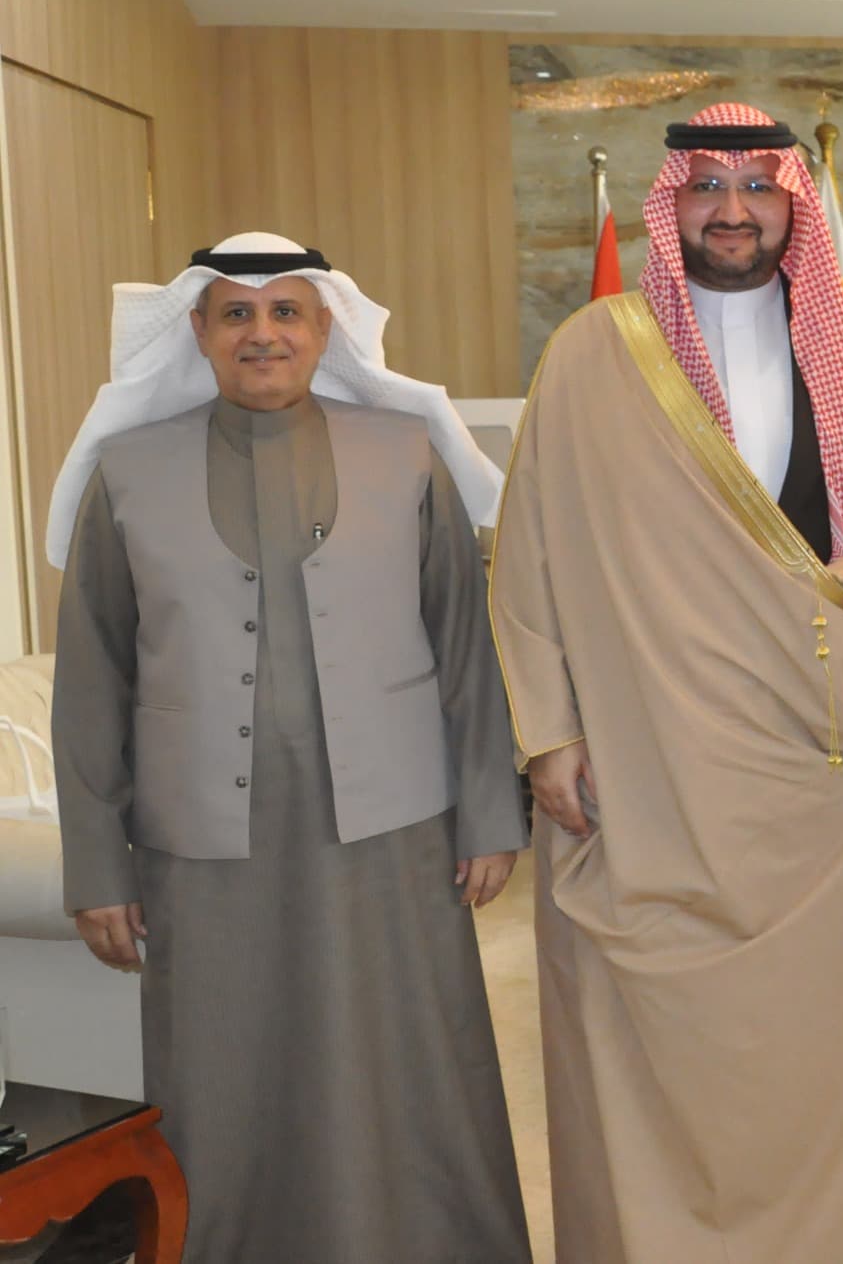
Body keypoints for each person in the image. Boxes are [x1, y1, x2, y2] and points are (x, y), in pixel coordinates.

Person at [491, 102, 843, 1264]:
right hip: (658, 761)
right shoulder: (593, 353)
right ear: (669, 201)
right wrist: (550, 732)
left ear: (794, 198)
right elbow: (530, 553)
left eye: (756, 184)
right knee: (683, 1040)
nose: (731, 209)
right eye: (706, 185)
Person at [48, 232, 530, 1264]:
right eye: (236, 313)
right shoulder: (127, 472)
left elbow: (465, 643)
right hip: (202, 848)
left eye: (285, 313)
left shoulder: (405, 452)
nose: (261, 334)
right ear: (199, 332)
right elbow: (91, 683)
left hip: (392, 834)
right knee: (224, 1073)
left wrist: (490, 810)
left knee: (408, 1060)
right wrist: (96, 866)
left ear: (324, 330)